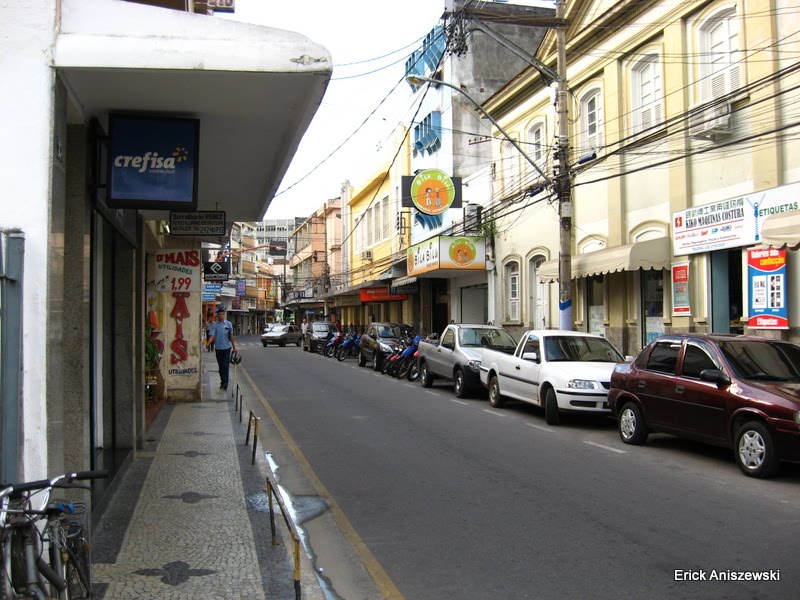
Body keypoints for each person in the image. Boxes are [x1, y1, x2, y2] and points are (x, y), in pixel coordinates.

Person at [208, 308, 237, 390]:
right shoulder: (215, 325)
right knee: (220, 367)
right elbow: (212, 336)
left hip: (226, 348)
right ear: (217, 315)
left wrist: (234, 347)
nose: (221, 316)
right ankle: (222, 381)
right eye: (219, 314)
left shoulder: (229, 324)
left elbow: (231, 336)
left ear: (224, 315)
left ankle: (225, 383)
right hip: (218, 348)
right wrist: (208, 344)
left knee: (225, 366)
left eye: (222, 314)